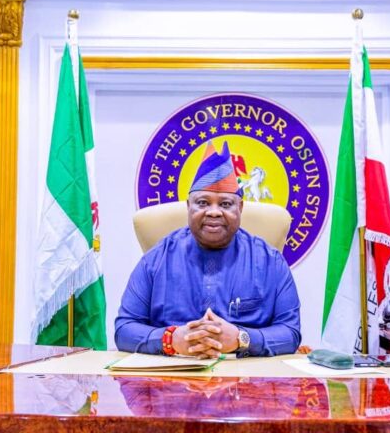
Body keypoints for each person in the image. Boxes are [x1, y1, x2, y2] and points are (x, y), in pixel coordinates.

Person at [115, 141, 301, 358]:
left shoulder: (270, 261)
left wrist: (241, 338)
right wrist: (170, 339)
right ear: (188, 207)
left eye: (225, 204)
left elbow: (290, 332)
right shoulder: (156, 260)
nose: (214, 212)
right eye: (203, 203)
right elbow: (124, 330)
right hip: (173, 372)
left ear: (240, 208)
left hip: (244, 373)